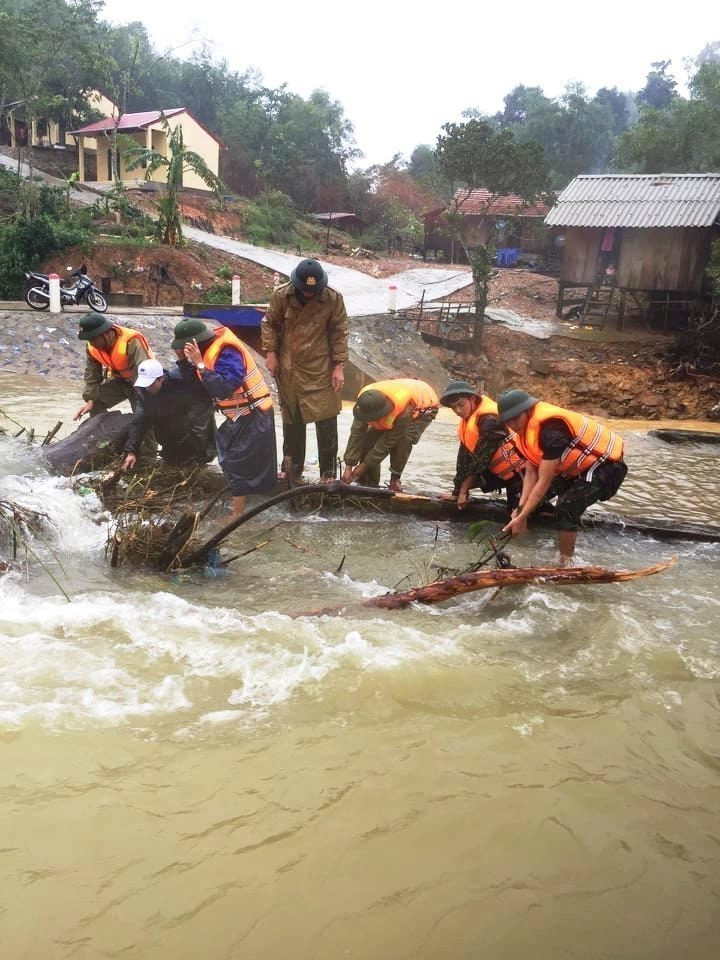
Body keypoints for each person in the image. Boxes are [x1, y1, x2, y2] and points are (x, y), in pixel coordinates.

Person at [497, 389, 628, 564]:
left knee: (566, 506)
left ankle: (565, 562)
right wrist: (521, 511)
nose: (513, 424)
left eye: (516, 418)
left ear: (528, 411)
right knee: (523, 500)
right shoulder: (522, 435)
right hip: (575, 468)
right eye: (508, 421)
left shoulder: (550, 430)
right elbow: (531, 473)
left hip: (606, 467)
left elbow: (543, 481)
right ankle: (556, 531)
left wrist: (521, 516)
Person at [170, 319, 276, 517]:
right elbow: (195, 384)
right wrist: (186, 362)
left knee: (234, 461)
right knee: (227, 453)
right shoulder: (206, 353)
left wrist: (199, 364)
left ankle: (238, 515)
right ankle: (248, 505)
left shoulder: (227, 352)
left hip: (254, 414)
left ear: (194, 344)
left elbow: (225, 388)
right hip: (239, 415)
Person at [261, 258, 348, 482]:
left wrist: (338, 366)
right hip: (289, 366)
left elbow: (339, 332)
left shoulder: (333, 298)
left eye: (313, 291)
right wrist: (271, 353)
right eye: (305, 290)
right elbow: (269, 323)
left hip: (321, 366)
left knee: (327, 420)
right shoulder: (282, 295)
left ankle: (327, 474)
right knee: (293, 420)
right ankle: (292, 469)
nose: (309, 294)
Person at [439, 380, 525, 510]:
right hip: (501, 473)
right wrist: (457, 492)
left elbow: (481, 460)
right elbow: (463, 459)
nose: (458, 411)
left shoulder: (489, 420)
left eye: (461, 405)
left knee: (517, 515)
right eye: (453, 407)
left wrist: (464, 491)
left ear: (472, 399)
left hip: (521, 473)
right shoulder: (467, 421)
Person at [342, 378, 439, 491]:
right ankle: (368, 481)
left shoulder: (403, 411)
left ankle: (395, 479)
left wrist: (364, 465)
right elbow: (357, 433)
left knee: (404, 439)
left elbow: (388, 442)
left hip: (423, 409)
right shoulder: (364, 402)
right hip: (399, 393)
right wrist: (348, 466)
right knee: (368, 439)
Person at [121, 358, 217, 472]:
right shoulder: (144, 394)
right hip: (169, 436)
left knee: (197, 453)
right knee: (172, 461)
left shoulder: (180, 382)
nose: (147, 388)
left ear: (160, 378)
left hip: (193, 428)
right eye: (144, 384)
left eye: (150, 384)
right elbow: (138, 424)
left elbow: (203, 407)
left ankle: (200, 463)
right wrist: (131, 451)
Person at [74, 314, 153, 420]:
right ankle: (100, 433)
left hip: (140, 384)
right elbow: (92, 374)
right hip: (120, 381)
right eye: (89, 339)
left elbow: (144, 371)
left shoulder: (131, 340)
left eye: (94, 338)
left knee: (142, 418)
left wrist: (143, 398)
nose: (92, 343)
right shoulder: (92, 347)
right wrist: (91, 399)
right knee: (95, 401)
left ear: (106, 333)